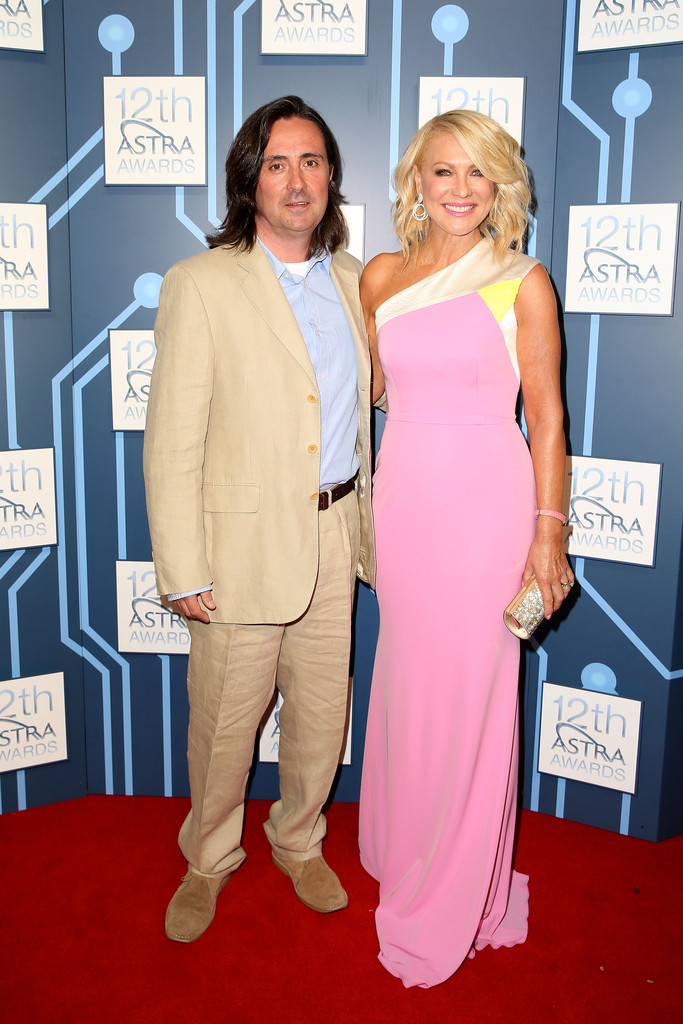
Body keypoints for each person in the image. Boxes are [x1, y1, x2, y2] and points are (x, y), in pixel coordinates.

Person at [143, 95, 375, 943]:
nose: (296, 180)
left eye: (311, 162)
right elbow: (172, 440)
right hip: (238, 548)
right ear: (250, 180)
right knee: (224, 726)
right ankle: (207, 859)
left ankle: (298, 839)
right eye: (277, 164)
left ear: (330, 178)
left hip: (334, 530)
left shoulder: (357, 282)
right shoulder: (200, 283)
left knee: (321, 717)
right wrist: (183, 567)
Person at [358, 109, 574, 988]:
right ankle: (406, 843)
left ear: (500, 187)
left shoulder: (520, 280)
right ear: (416, 180)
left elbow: (547, 419)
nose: (459, 188)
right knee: (410, 685)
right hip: (404, 503)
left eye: (477, 172)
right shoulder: (379, 275)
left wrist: (547, 534)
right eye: (442, 170)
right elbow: (373, 391)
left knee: (471, 700)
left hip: (487, 508)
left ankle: (450, 892)